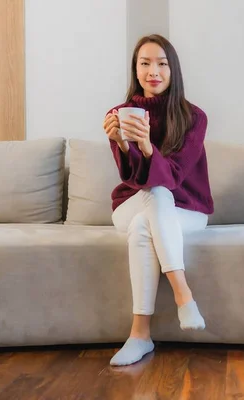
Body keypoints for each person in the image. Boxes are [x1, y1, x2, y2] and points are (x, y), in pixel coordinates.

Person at [102, 34, 214, 366]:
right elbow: (132, 179)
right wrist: (122, 144)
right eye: (145, 63)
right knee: (149, 199)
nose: (154, 71)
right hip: (131, 202)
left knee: (145, 222)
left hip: (187, 209)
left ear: (173, 70)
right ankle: (184, 295)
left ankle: (140, 335)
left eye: (162, 63)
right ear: (135, 70)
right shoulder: (121, 114)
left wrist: (149, 146)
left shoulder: (194, 117)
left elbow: (174, 177)